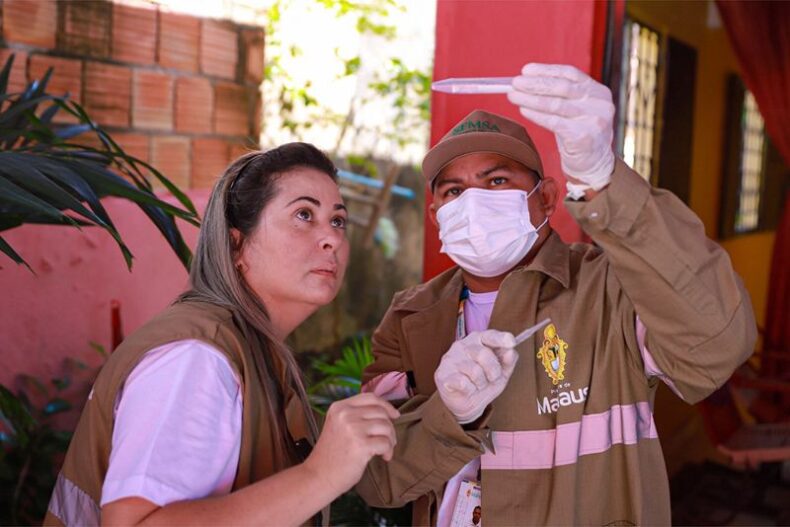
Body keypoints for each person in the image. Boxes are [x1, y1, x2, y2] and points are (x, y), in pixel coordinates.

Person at [355, 64, 757, 525]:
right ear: (435, 214)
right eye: (454, 191)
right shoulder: (411, 318)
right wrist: (452, 416)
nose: (474, 202)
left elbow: (719, 342)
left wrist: (603, 179)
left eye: (497, 181)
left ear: (546, 199)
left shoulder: (610, 289)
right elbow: (377, 481)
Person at [44, 143, 400, 526]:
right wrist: (321, 476)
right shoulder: (197, 357)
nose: (331, 238)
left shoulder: (254, 352)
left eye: (337, 220)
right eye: (303, 214)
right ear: (236, 245)